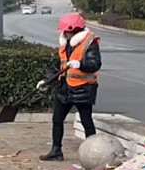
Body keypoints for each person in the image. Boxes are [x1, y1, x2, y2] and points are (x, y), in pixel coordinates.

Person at [40, 12, 102, 161]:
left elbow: (95, 64)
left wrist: (81, 64)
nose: (64, 34)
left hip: (83, 89)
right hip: (65, 88)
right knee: (57, 120)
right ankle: (56, 151)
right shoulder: (66, 44)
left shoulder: (90, 43)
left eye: (66, 31)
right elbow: (58, 65)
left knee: (87, 122)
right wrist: (46, 80)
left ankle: (94, 154)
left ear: (74, 30)